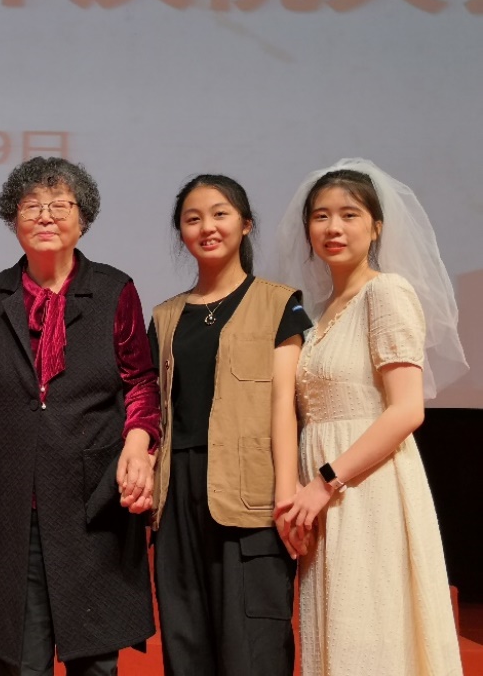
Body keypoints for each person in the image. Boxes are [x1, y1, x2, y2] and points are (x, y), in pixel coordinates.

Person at [0, 156, 161, 675]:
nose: (45, 216)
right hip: (15, 506)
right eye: (31, 205)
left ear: (84, 219)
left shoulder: (113, 290)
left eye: (60, 205)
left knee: (94, 661)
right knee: (21, 662)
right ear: (13, 219)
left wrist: (137, 445)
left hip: (94, 502)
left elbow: (140, 382)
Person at [275, 159, 468, 676]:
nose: (333, 227)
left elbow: (407, 410)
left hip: (368, 489)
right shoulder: (319, 311)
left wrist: (325, 481)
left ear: (376, 226)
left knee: (373, 634)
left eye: (349, 214)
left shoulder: (386, 293)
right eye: (320, 216)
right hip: (324, 497)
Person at [147, 175, 311, 676]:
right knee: (186, 643)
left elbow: (284, 403)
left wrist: (286, 493)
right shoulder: (165, 316)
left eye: (220, 214)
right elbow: (153, 408)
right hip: (177, 493)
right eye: (193, 219)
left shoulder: (281, 303)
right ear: (181, 233)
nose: (207, 227)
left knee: (253, 647)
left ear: (246, 225)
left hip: (252, 493)